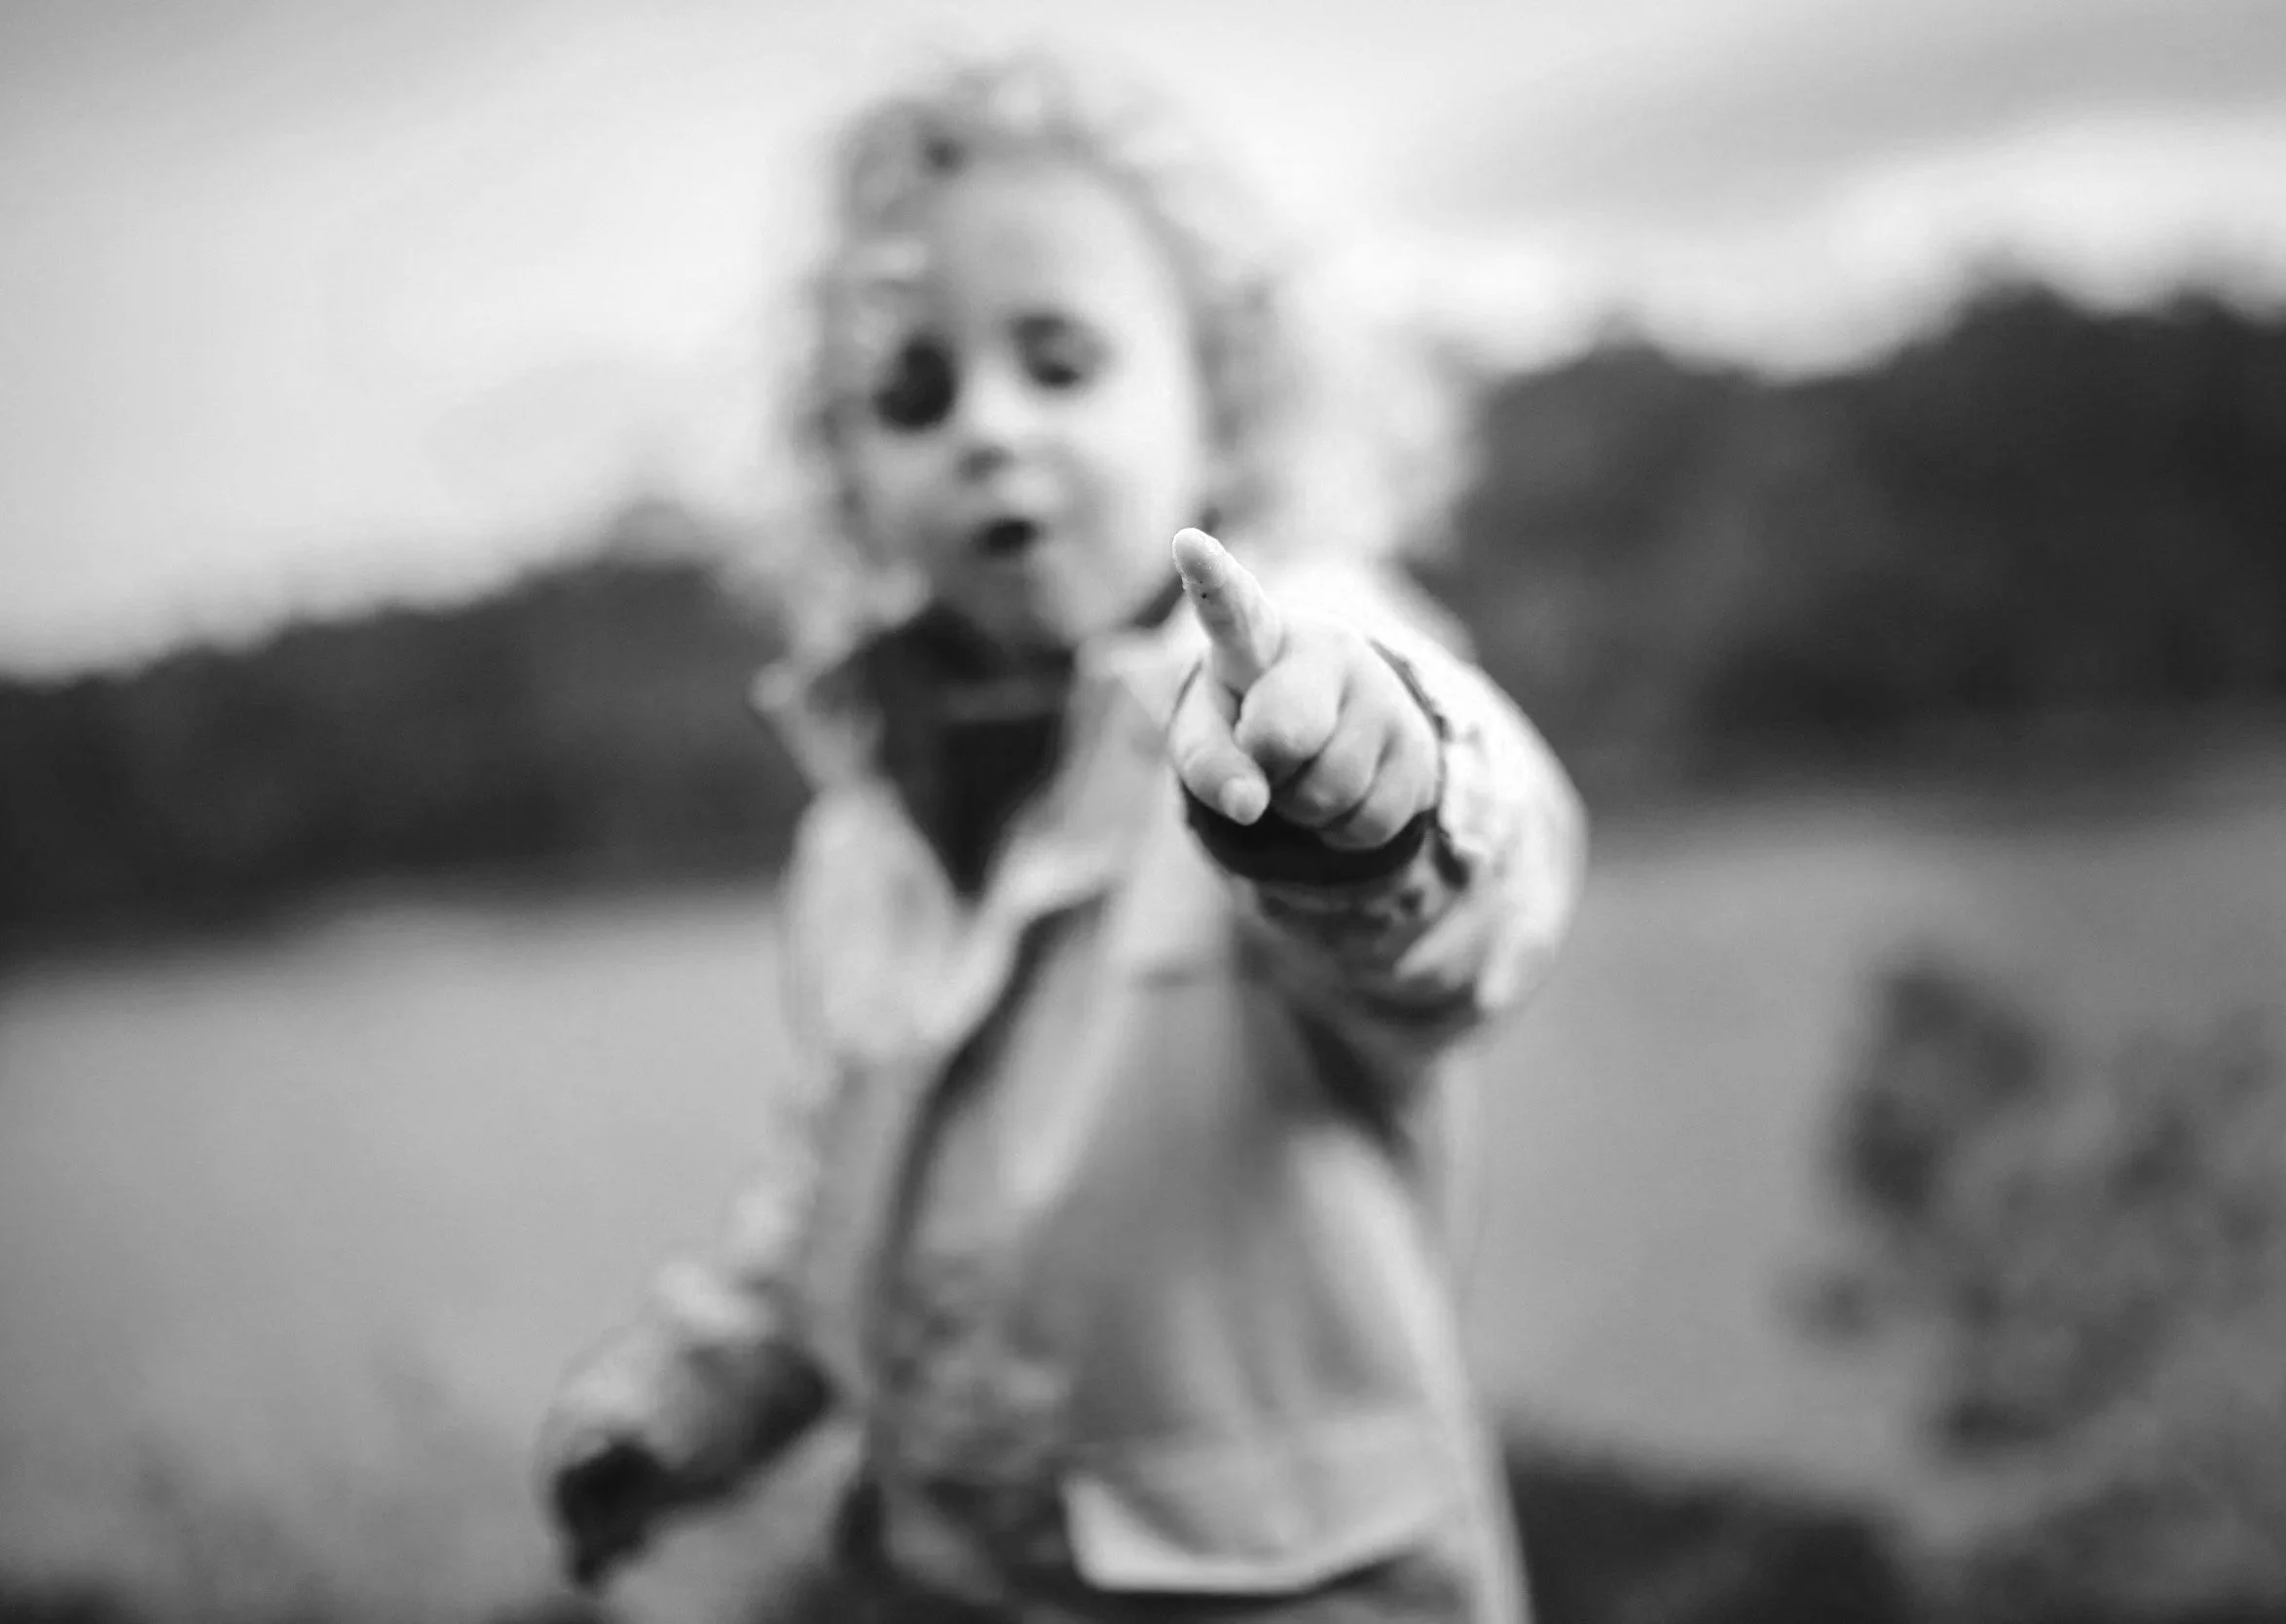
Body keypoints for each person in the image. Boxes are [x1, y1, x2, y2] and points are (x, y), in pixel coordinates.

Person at [535, 52, 1586, 1624]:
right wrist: (695, 1404)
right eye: (913, 394)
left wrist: (1365, 812)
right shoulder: (862, 830)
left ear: (1214, 406)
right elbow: (837, 1200)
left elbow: (1471, 892)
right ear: (847, 476)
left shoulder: (1294, 656)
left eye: (1061, 360)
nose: (989, 430)